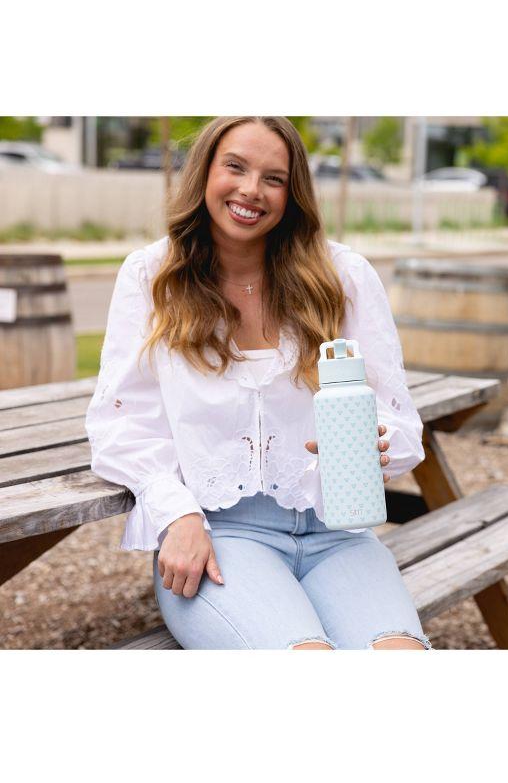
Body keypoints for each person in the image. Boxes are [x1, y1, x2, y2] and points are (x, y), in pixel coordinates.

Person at [85, 116, 431, 650]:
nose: (251, 190)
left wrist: (378, 442)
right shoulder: (152, 276)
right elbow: (120, 422)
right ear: (204, 172)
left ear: (292, 194)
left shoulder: (344, 277)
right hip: (221, 536)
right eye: (235, 167)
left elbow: (399, 419)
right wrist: (174, 513)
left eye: (273, 178)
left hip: (339, 532)